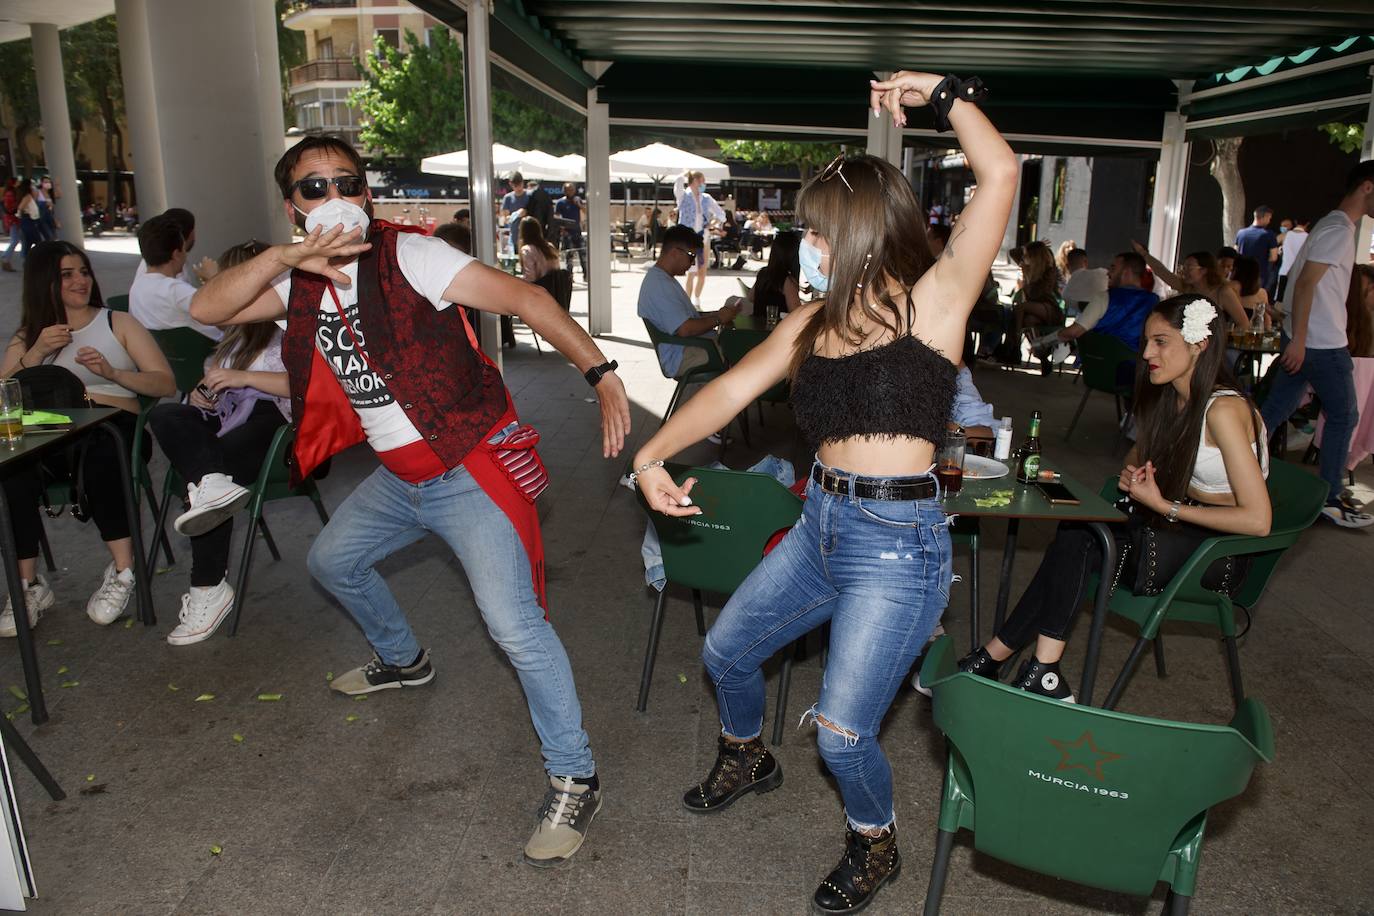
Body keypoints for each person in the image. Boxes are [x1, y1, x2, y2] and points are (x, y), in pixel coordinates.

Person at [632, 71, 1016, 915]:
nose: (803, 243)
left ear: (857, 232)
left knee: (844, 738)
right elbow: (728, 393)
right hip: (820, 525)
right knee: (727, 655)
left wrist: (942, 94)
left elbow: (1002, 176)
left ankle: (874, 842)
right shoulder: (808, 322)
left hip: (899, 541)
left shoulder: (936, 303)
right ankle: (747, 753)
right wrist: (648, 456)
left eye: (814, 229)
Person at [188, 135, 631, 866]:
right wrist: (284, 257)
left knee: (514, 627)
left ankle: (576, 775)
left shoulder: (411, 255)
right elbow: (210, 307)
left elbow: (522, 295)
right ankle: (405, 660)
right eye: (312, 188)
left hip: (468, 468)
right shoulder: (296, 282)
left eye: (346, 182)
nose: (333, 196)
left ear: (365, 192)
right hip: (400, 479)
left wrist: (602, 371)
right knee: (332, 561)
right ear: (293, 206)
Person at [946, 295, 1271, 700]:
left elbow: (1259, 520)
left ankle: (1022, 664)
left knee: (1083, 538)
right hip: (1178, 532)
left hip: (1217, 554)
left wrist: (1164, 504)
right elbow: (1139, 454)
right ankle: (1022, 664)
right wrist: (1138, 473)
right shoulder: (1176, 398)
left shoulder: (1222, 411)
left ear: (1198, 344)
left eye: (1161, 342)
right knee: (1077, 532)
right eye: (1146, 342)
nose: (1147, 353)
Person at [0, 241, 176, 636]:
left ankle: (123, 571)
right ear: (45, 283)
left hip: (114, 428)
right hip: (51, 436)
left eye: (83, 271)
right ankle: (25, 586)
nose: (81, 280)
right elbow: (2, 399)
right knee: (12, 471)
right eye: (67, 274)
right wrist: (37, 353)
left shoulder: (118, 323)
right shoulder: (31, 336)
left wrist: (113, 375)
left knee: (101, 453)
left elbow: (165, 383)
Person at [146, 240, 290, 646]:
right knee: (165, 414)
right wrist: (203, 395)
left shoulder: (290, 328)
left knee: (216, 469)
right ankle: (209, 484)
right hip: (228, 424)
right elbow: (216, 393)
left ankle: (207, 588)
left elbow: (310, 386)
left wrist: (244, 379)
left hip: (278, 431)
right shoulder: (233, 337)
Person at [1260, 160, 1374, 528]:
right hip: (1322, 342)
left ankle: (1231, 468)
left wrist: (1294, 334)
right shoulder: (1339, 228)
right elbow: (1306, 283)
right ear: (1367, 187)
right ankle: (1328, 498)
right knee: (1343, 415)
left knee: (1275, 411)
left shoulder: (1333, 225)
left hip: (1311, 338)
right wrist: (1301, 339)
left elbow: (1299, 281)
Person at [637, 224, 739, 426]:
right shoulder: (660, 285)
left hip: (689, 347)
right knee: (739, 354)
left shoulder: (664, 280)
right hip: (682, 355)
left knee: (737, 350)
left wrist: (717, 314)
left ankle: (716, 418)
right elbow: (685, 328)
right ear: (675, 252)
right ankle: (713, 423)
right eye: (691, 255)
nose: (693, 263)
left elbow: (688, 318)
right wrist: (719, 319)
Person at [130, 214, 223, 340]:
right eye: (184, 249)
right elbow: (224, 311)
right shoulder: (174, 290)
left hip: (166, 354)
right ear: (176, 254)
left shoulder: (137, 287)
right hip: (206, 352)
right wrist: (215, 278)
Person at [1133, 243, 1247, 327]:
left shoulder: (1222, 292)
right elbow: (1162, 271)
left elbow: (1244, 324)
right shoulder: (1188, 287)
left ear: (1204, 270)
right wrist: (1143, 254)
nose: (1184, 271)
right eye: (1184, 267)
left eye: (1189, 267)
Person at [1090, 251, 1160, 349]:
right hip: (1136, 360)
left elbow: (1076, 331)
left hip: (1101, 357)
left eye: (1113, 268)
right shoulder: (1154, 301)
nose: (1108, 272)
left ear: (1126, 272)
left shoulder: (1105, 296)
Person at [1008, 240, 1061, 369]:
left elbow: (1040, 294)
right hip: (1033, 311)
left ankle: (1015, 343)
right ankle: (1043, 358)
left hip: (1049, 308)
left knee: (1020, 308)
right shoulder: (1027, 269)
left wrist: (1039, 249)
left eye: (1027, 255)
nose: (1024, 258)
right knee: (1029, 320)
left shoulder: (1048, 270)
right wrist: (1028, 247)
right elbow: (1013, 253)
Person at [676, 170, 725, 306]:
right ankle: (687, 301)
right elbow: (678, 185)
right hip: (689, 239)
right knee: (691, 272)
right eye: (702, 180)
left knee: (702, 272)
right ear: (695, 181)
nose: (704, 184)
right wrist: (685, 174)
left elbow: (721, 214)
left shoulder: (706, 198)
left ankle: (697, 299)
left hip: (704, 238)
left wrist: (713, 223)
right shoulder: (684, 196)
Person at [748, 230, 802, 320]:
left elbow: (751, 297)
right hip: (776, 328)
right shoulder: (787, 281)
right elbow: (795, 312)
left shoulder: (763, 273)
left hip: (757, 325)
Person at [1235, 205, 1281, 292]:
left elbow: (1235, 252)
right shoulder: (1269, 234)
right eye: (1269, 218)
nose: (1269, 221)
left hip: (1241, 275)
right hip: (1260, 275)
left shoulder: (1241, 233)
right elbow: (1273, 257)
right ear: (1265, 216)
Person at [554, 182, 588, 279]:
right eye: (568, 190)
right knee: (569, 257)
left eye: (572, 190)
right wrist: (562, 229)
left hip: (577, 232)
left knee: (583, 255)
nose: (570, 192)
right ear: (564, 191)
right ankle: (569, 276)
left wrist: (579, 205)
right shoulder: (560, 203)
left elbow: (585, 212)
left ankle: (586, 274)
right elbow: (557, 217)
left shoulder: (577, 201)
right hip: (567, 233)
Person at [1276, 218, 1309, 303]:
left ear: (1295, 222)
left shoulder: (1285, 235)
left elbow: (1271, 244)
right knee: (1297, 301)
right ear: (1307, 224)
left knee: (1280, 301)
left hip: (1284, 271)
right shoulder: (1309, 237)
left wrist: (1279, 250)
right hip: (1300, 273)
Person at [1231, 256, 1270, 328]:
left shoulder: (1231, 288)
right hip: (1254, 335)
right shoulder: (1262, 293)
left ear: (1236, 271)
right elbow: (1267, 323)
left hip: (1233, 334)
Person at [1, 178, 19, 272]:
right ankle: (5, 258)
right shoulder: (10, 194)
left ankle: (5, 257)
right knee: (15, 240)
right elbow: (9, 208)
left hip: (12, 219)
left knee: (15, 239)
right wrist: (16, 210)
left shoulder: (9, 193)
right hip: (13, 219)